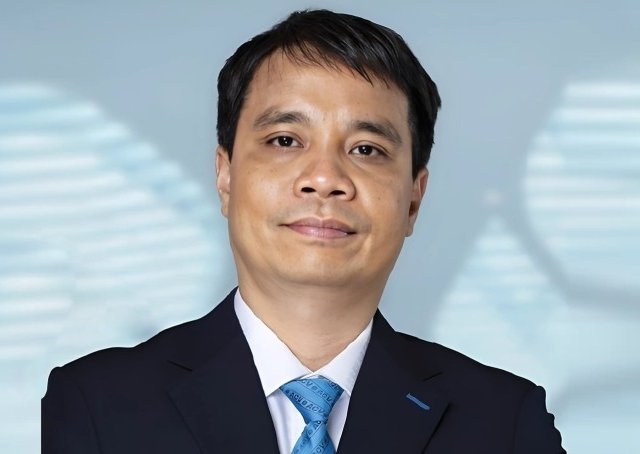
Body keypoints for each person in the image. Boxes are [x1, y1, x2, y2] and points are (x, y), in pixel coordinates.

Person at [42, 9, 565, 454]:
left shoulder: (504, 422)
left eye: (367, 149)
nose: (325, 178)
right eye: (286, 140)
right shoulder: (98, 405)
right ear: (225, 176)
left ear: (413, 198)